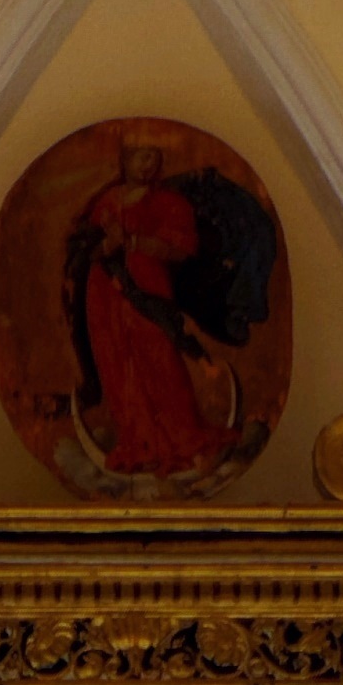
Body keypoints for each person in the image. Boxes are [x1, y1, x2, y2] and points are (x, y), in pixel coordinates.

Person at [62, 137, 277, 487]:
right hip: (103, 293)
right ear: (125, 159)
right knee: (117, 363)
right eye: (140, 155)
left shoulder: (170, 202)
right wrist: (105, 246)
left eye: (153, 156)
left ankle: (183, 439)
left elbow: (181, 250)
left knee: (159, 359)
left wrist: (131, 242)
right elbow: (88, 249)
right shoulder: (105, 201)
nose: (146, 163)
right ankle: (139, 443)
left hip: (148, 289)